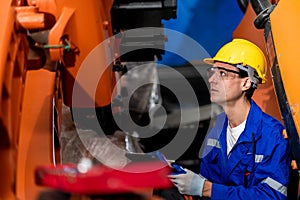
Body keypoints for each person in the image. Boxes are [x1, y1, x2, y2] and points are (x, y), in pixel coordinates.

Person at [168, 38, 291, 199]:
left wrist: (205, 188)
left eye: (223, 73)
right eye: (212, 72)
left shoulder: (272, 135)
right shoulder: (218, 127)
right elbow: (210, 180)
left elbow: (272, 196)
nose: (212, 79)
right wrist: (187, 179)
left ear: (246, 83)